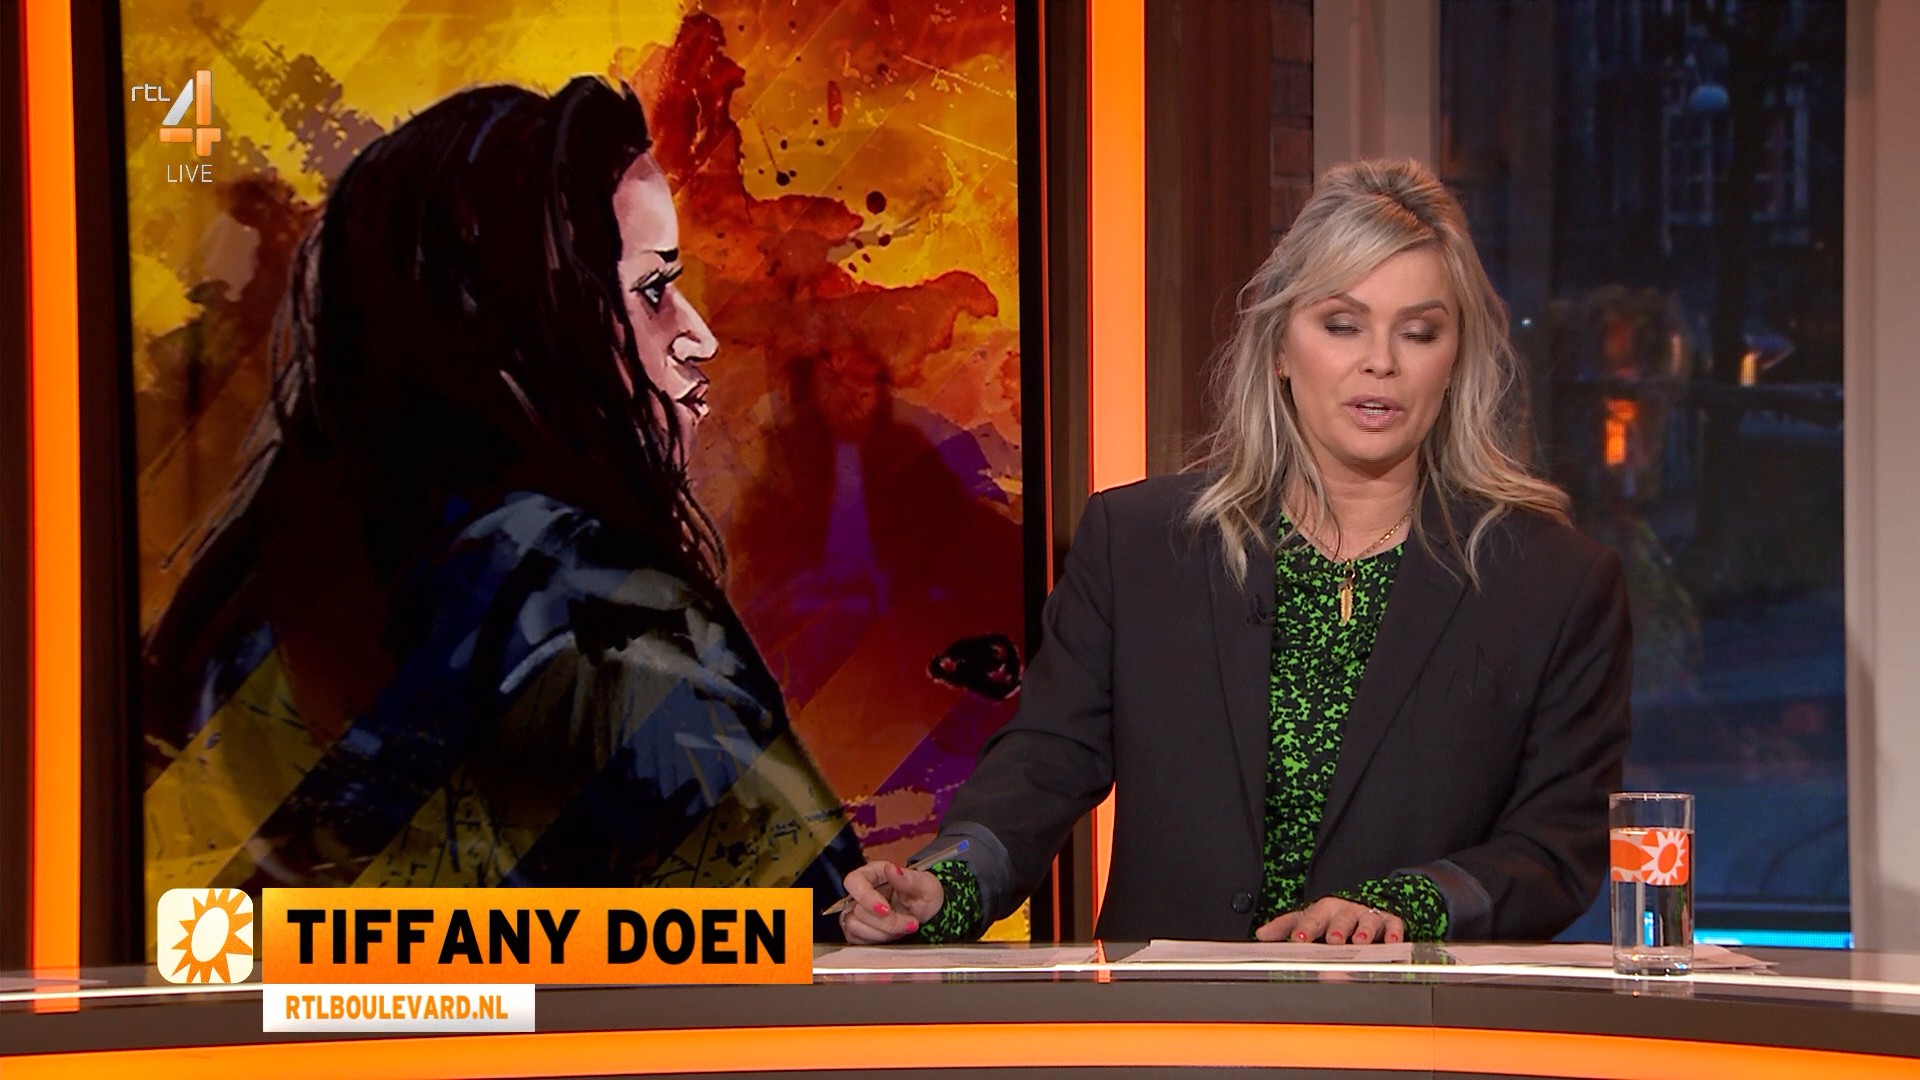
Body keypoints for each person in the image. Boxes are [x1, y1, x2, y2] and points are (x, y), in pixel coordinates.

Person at [838, 159, 1633, 945]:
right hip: (1177, 1017)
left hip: (1412, 1017)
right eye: (1342, 324)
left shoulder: (1553, 584)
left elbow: (1556, 845)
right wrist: (949, 880)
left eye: (1419, 332)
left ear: (1455, 360)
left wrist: (1411, 907)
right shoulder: (1139, 544)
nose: (1381, 361)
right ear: (1281, 347)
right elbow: (1046, 760)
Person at [142, 77, 863, 932]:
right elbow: (819, 957)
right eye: (652, 288)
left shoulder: (243, 613)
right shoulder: (611, 630)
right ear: (535, 317)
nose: (697, 333)